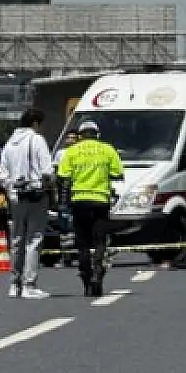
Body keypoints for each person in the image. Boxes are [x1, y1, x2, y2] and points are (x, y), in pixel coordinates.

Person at [56, 119, 124, 297]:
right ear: (97, 134)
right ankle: (97, 269)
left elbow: (63, 175)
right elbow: (118, 173)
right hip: (101, 200)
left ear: (80, 135)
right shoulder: (108, 150)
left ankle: (85, 273)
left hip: (79, 201)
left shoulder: (71, 152)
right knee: (100, 240)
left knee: (83, 242)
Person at [0, 108, 53, 299]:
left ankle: (14, 284)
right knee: (34, 239)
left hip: (16, 196)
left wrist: (12, 188)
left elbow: (2, 173)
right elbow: (47, 170)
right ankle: (29, 284)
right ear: (36, 123)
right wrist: (48, 187)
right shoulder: (37, 140)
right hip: (35, 195)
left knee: (17, 240)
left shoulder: (9, 143)